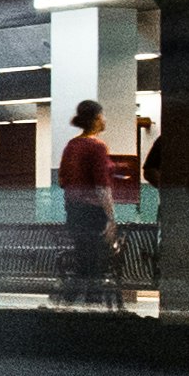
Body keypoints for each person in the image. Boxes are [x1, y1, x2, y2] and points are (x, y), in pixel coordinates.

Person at [54, 100, 121, 306]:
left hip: (74, 212)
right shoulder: (97, 146)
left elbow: (62, 181)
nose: (105, 119)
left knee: (83, 261)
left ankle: (70, 303)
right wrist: (111, 218)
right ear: (96, 119)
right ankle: (93, 305)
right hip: (93, 213)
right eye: (103, 115)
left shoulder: (71, 146)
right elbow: (102, 187)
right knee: (96, 264)